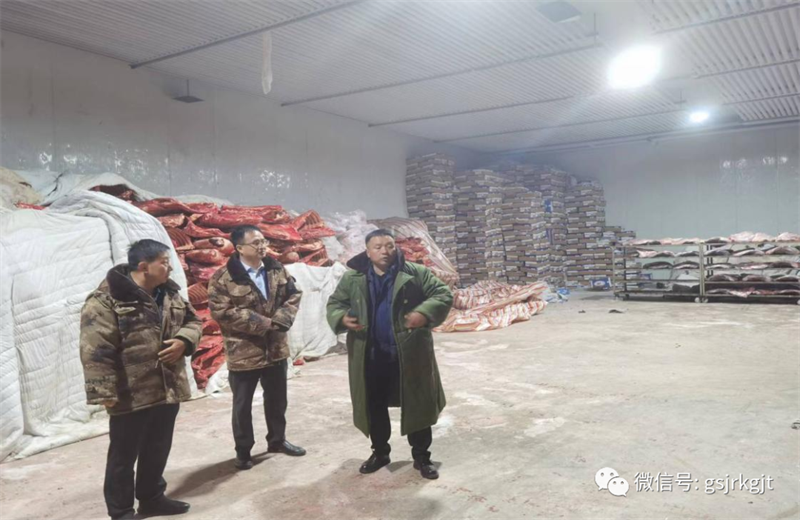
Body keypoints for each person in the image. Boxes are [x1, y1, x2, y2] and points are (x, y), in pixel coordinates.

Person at [80, 239, 202, 520]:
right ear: (145, 267)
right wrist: (104, 392)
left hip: (167, 386)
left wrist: (184, 340)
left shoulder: (169, 293)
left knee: (158, 447)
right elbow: (95, 349)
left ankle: (152, 498)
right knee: (123, 457)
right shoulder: (107, 299)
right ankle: (121, 511)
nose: (170, 267)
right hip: (130, 391)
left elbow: (193, 321)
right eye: (164, 262)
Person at [326, 229, 453, 480]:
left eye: (390, 246)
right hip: (370, 353)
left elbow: (442, 293)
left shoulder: (415, 273)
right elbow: (335, 303)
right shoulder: (353, 278)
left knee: (417, 403)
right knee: (373, 405)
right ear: (367, 252)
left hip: (409, 351)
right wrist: (341, 317)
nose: (385, 251)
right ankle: (380, 453)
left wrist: (424, 312)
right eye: (378, 247)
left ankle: (422, 457)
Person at [208, 225, 305, 470]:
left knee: (277, 400)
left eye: (263, 241)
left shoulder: (276, 268)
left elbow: (293, 294)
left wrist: (282, 319)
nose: (262, 246)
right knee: (242, 405)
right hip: (244, 352)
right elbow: (222, 312)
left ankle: (277, 441)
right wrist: (264, 323)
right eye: (256, 243)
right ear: (239, 248)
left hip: (275, 349)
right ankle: (243, 451)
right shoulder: (223, 278)